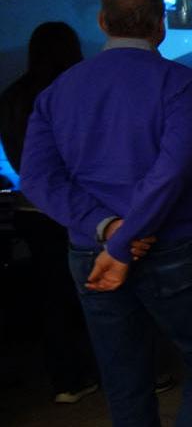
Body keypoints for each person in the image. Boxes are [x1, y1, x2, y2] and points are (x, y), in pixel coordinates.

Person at [21, 0, 192, 427]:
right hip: (171, 247)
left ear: (102, 22)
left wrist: (107, 230)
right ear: (160, 26)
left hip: (91, 253)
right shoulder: (181, 83)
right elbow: (170, 171)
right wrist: (125, 238)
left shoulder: (56, 92)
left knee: (123, 378)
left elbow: (38, 178)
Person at [0, 21, 100, 404]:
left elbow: (19, 160)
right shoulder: (74, 94)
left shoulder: (12, 95)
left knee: (51, 297)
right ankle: (111, 371)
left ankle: (66, 381)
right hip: (76, 208)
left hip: (31, 207)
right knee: (96, 294)